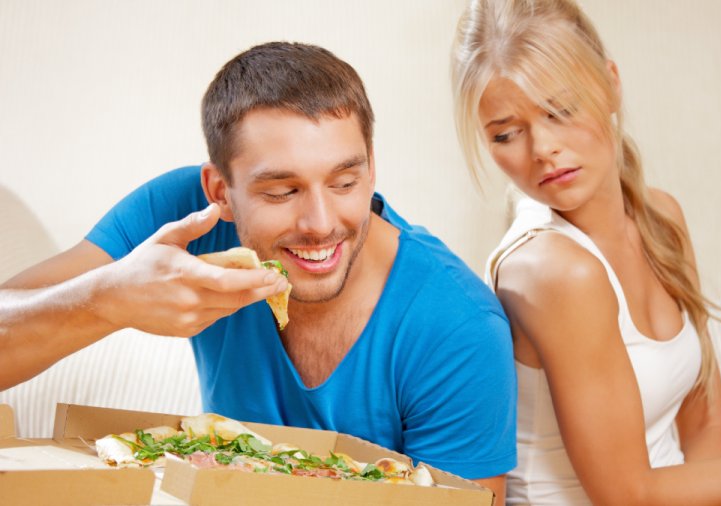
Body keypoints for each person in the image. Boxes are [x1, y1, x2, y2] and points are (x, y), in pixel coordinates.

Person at [0, 41, 515, 498]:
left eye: (344, 182)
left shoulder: (457, 326)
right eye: (282, 191)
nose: (320, 223)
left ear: (371, 167)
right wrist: (109, 299)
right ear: (220, 191)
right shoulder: (184, 220)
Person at [451, 0, 721, 504]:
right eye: (506, 134)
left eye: (561, 110)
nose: (542, 149)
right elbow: (629, 496)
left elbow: (706, 426)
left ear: (611, 84)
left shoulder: (661, 219)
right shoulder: (553, 270)